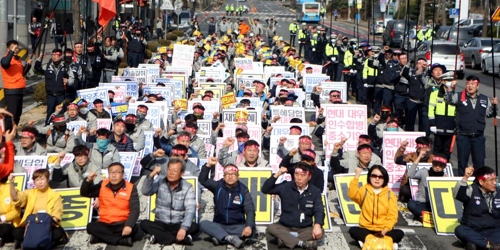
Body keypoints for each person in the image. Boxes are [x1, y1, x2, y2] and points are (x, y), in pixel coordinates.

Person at [262, 162, 324, 250]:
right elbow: (265, 189)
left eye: (302, 175)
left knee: (320, 231)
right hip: (285, 226)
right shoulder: (286, 186)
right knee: (271, 228)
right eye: (296, 174)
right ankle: (301, 243)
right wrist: (278, 174)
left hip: (305, 228)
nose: (299, 178)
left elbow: (319, 209)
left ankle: (285, 240)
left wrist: (317, 225)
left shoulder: (315, 191)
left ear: (309, 177)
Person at [445, 75, 498, 176]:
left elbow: (490, 114)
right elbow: (449, 100)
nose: (470, 86)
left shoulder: (484, 99)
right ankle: (462, 183)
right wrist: (450, 88)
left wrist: (494, 106)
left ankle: (478, 183)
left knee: (479, 162)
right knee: (462, 161)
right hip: (463, 135)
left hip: (478, 136)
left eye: (473, 84)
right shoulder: (460, 96)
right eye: (468, 84)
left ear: (477, 86)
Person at [199, 158, 256, 248]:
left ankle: (221, 237)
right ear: (224, 176)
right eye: (228, 174)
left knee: (252, 228)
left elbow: (250, 209)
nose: (230, 176)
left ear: (238, 176)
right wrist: (208, 165)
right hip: (219, 225)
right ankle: (229, 238)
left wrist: (248, 226)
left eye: (233, 174)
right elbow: (203, 180)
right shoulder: (218, 186)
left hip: (237, 226)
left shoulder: (243, 190)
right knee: (203, 224)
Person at [140, 159, 198, 245]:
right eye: (169, 170)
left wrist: (183, 228)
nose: (171, 173)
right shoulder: (160, 182)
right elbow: (145, 191)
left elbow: (190, 210)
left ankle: (159, 237)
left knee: (195, 226)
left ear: (182, 173)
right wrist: (151, 175)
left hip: (178, 223)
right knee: (144, 224)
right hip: (160, 223)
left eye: (174, 171)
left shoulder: (187, 187)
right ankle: (177, 239)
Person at [81, 162, 140, 246]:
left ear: (123, 174)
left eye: (117, 172)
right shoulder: (103, 184)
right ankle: (121, 241)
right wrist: (88, 181)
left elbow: (135, 209)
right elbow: (85, 193)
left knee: (134, 228)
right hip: (105, 223)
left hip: (122, 223)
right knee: (90, 226)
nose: (113, 175)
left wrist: (129, 225)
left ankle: (100, 237)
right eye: (111, 172)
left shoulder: (131, 187)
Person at [348, 165, 404, 249]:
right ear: (369, 177)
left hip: (383, 230)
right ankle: (386, 242)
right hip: (366, 229)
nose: (377, 179)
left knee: (400, 233)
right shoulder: (364, 190)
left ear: (385, 179)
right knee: (352, 230)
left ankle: (368, 242)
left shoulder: (390, 194)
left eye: (381, 177)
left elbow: (392, 216)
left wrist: (385, 230)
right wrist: (356, 176)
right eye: (374, 176)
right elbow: (352, 194)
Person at [9, 169, 67, 247]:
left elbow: (56, 215)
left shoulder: (55, 195)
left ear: (48, 179)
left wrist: (43, 224)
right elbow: (15, 198)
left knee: (58, 232)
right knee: (16, 232)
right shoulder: (29, 193)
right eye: (37, 180)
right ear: (34, 182)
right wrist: (11, 183)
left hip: (47, 225)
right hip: (32, 225)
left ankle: (35, 240)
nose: (40, 182)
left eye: (42, 179)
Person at [454, 166, 500, 250]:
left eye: (495, 179)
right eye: (491, 180)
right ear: (481, 182)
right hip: (474, 230)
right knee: (459, 229)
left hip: (494, 230)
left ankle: (479, 244)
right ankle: (489, 246)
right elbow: (457, 195)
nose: (494, 183)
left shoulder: (498, 192)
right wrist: (465, 177)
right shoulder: (472, 190)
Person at [407, 153, 448, 221]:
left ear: (444, 167)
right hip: (422, 203)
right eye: (435, 164)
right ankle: (429, 216)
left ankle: (426, 216)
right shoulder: (424, 172)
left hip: (436, 205)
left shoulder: (445, 177)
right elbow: (410, 175)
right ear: (432, 164)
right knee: (411, 204)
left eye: (440, 166)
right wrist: (419, 157)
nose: (437, 167)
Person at [34, 49, 69, 125]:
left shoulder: (66, 67)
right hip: (50, 95)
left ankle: (62, 127)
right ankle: (48, 127)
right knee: (50, 112)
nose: (54, 57)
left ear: (60, 56)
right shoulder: (47, 66)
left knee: (62, 112)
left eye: (56, 55)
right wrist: (39, 58)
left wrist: (68, 81)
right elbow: (37, 68)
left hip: (61, 95)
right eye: (53, 55)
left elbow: (72, 78)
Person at [1, 40, 31, 126]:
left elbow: (21, 74)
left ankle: (14, 129)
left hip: (19, 89)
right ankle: (8, 131)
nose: (16, 49)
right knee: (12, 113)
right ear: (8, 49)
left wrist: (28, 65)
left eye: (17, 48)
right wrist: (11, 51)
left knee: (18, 113)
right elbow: (5, 64)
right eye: (13, 47)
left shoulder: (17, 60)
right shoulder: (6, 59)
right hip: (11, 90)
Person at [0, 174, 21, 247]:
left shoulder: (10, 189)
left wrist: (2, 218)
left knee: (3, 228)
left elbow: (16, 212)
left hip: (11, 223)